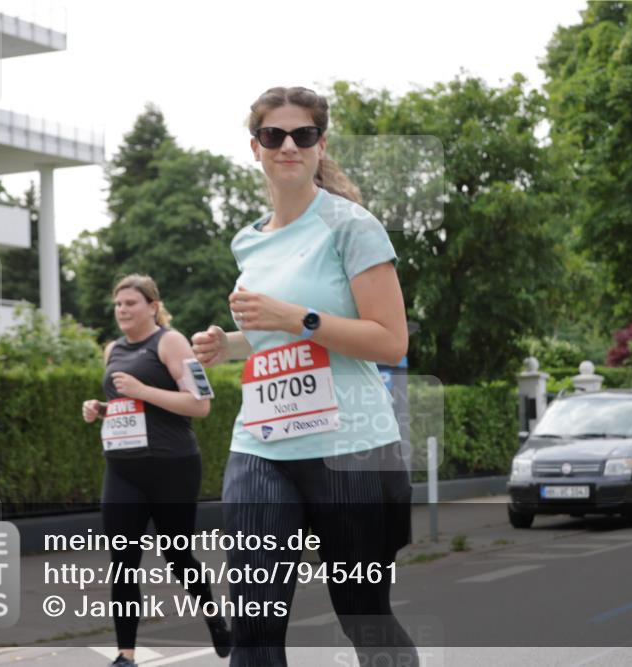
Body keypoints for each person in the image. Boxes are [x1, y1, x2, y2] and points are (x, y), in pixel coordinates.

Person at [192, 86, 417, 667]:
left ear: (320, 145)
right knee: (254, 626)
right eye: (274, 136)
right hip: (261, 443)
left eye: (303, 135)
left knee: (364, 618)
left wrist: (297, 316)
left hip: (352, 447)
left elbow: (390, 340)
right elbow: (277, 336)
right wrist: (230, 344)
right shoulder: (249, 240)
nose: (288, 145)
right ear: (255, 148)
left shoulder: (352, 226)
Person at [82, 274, 231, 666]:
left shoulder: (171, 342)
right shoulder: (112, 349)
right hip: (123, 469)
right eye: (118, 304)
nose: (123, 310)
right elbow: (127, 405)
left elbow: (200, 405)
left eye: (131, 303)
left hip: (172, 467)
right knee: (123, 560)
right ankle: (125, 654)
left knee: (177, 555)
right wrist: (102, 408)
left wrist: (142, 390)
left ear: (152, 306)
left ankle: (214, 619)